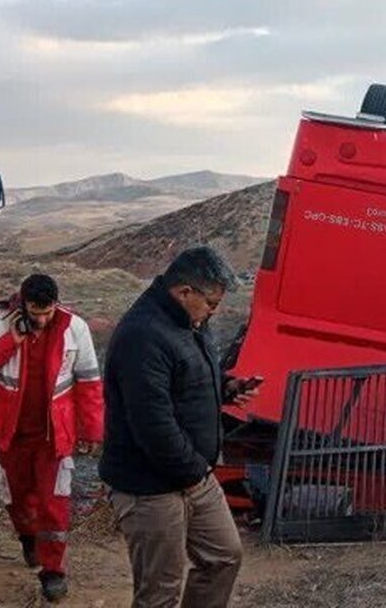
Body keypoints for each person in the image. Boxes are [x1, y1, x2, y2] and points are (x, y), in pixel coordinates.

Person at [100, 247, 256, 608]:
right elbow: (153, 425)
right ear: (184, 292)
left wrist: (227, 388)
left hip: (192, 476)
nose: (214, 312)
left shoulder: (189, 322)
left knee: (224, 556)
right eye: (212, 303)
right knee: (159, 593)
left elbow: (189, 380)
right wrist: (193, 474)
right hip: (150, 487)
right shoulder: (143, 335)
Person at [0, 274, 102, 603]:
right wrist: (10, 341)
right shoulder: (0, 322)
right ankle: (28, 538)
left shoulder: (75, 328)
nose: (41, 319)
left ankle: (53, 571)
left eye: (47, 312)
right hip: (11, 434)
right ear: (22, 305)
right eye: (34, 312)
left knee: (53, 503)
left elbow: (89, 383)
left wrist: (92, 430)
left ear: (56, 304)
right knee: (16, 497)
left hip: (53, 436)